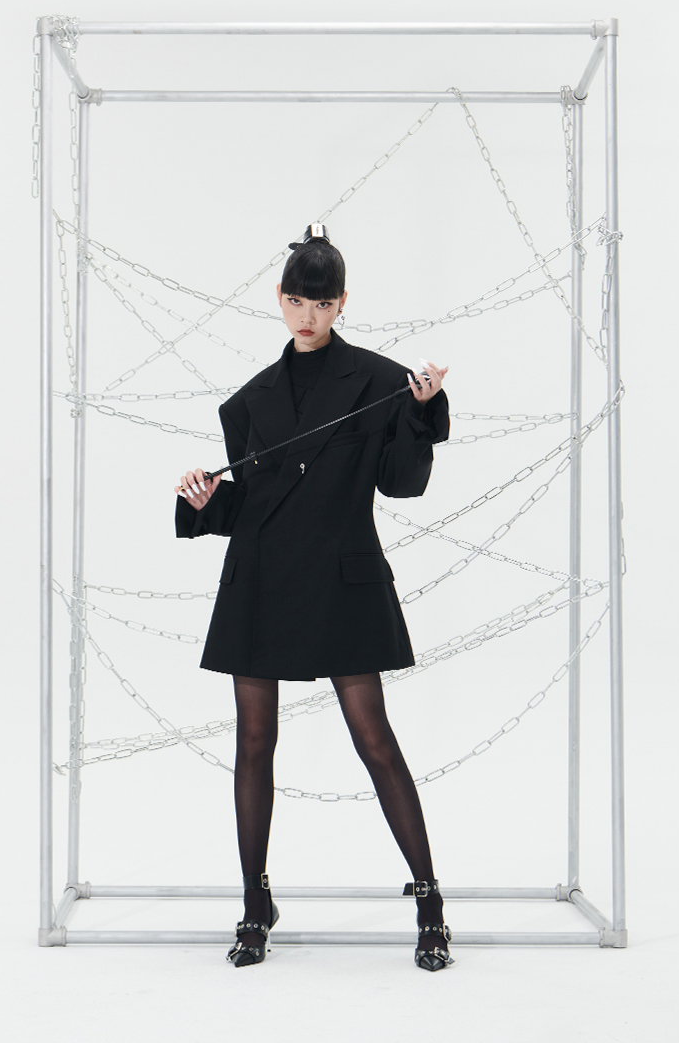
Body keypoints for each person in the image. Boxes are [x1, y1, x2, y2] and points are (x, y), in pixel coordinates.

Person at [174, 223, 452, 971]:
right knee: (253, 744)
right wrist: (204, 500)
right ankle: (254, 902)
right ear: (280, 299)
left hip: (340, 580)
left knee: (375, 740)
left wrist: (422, 410)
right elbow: (254, 507)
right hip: (261, 581)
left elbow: (401, 484)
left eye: (322, 304)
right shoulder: (247, 403)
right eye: (297, 301)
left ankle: (430, 900)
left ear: (342, 303)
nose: (308, 316)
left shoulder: (381, 381)